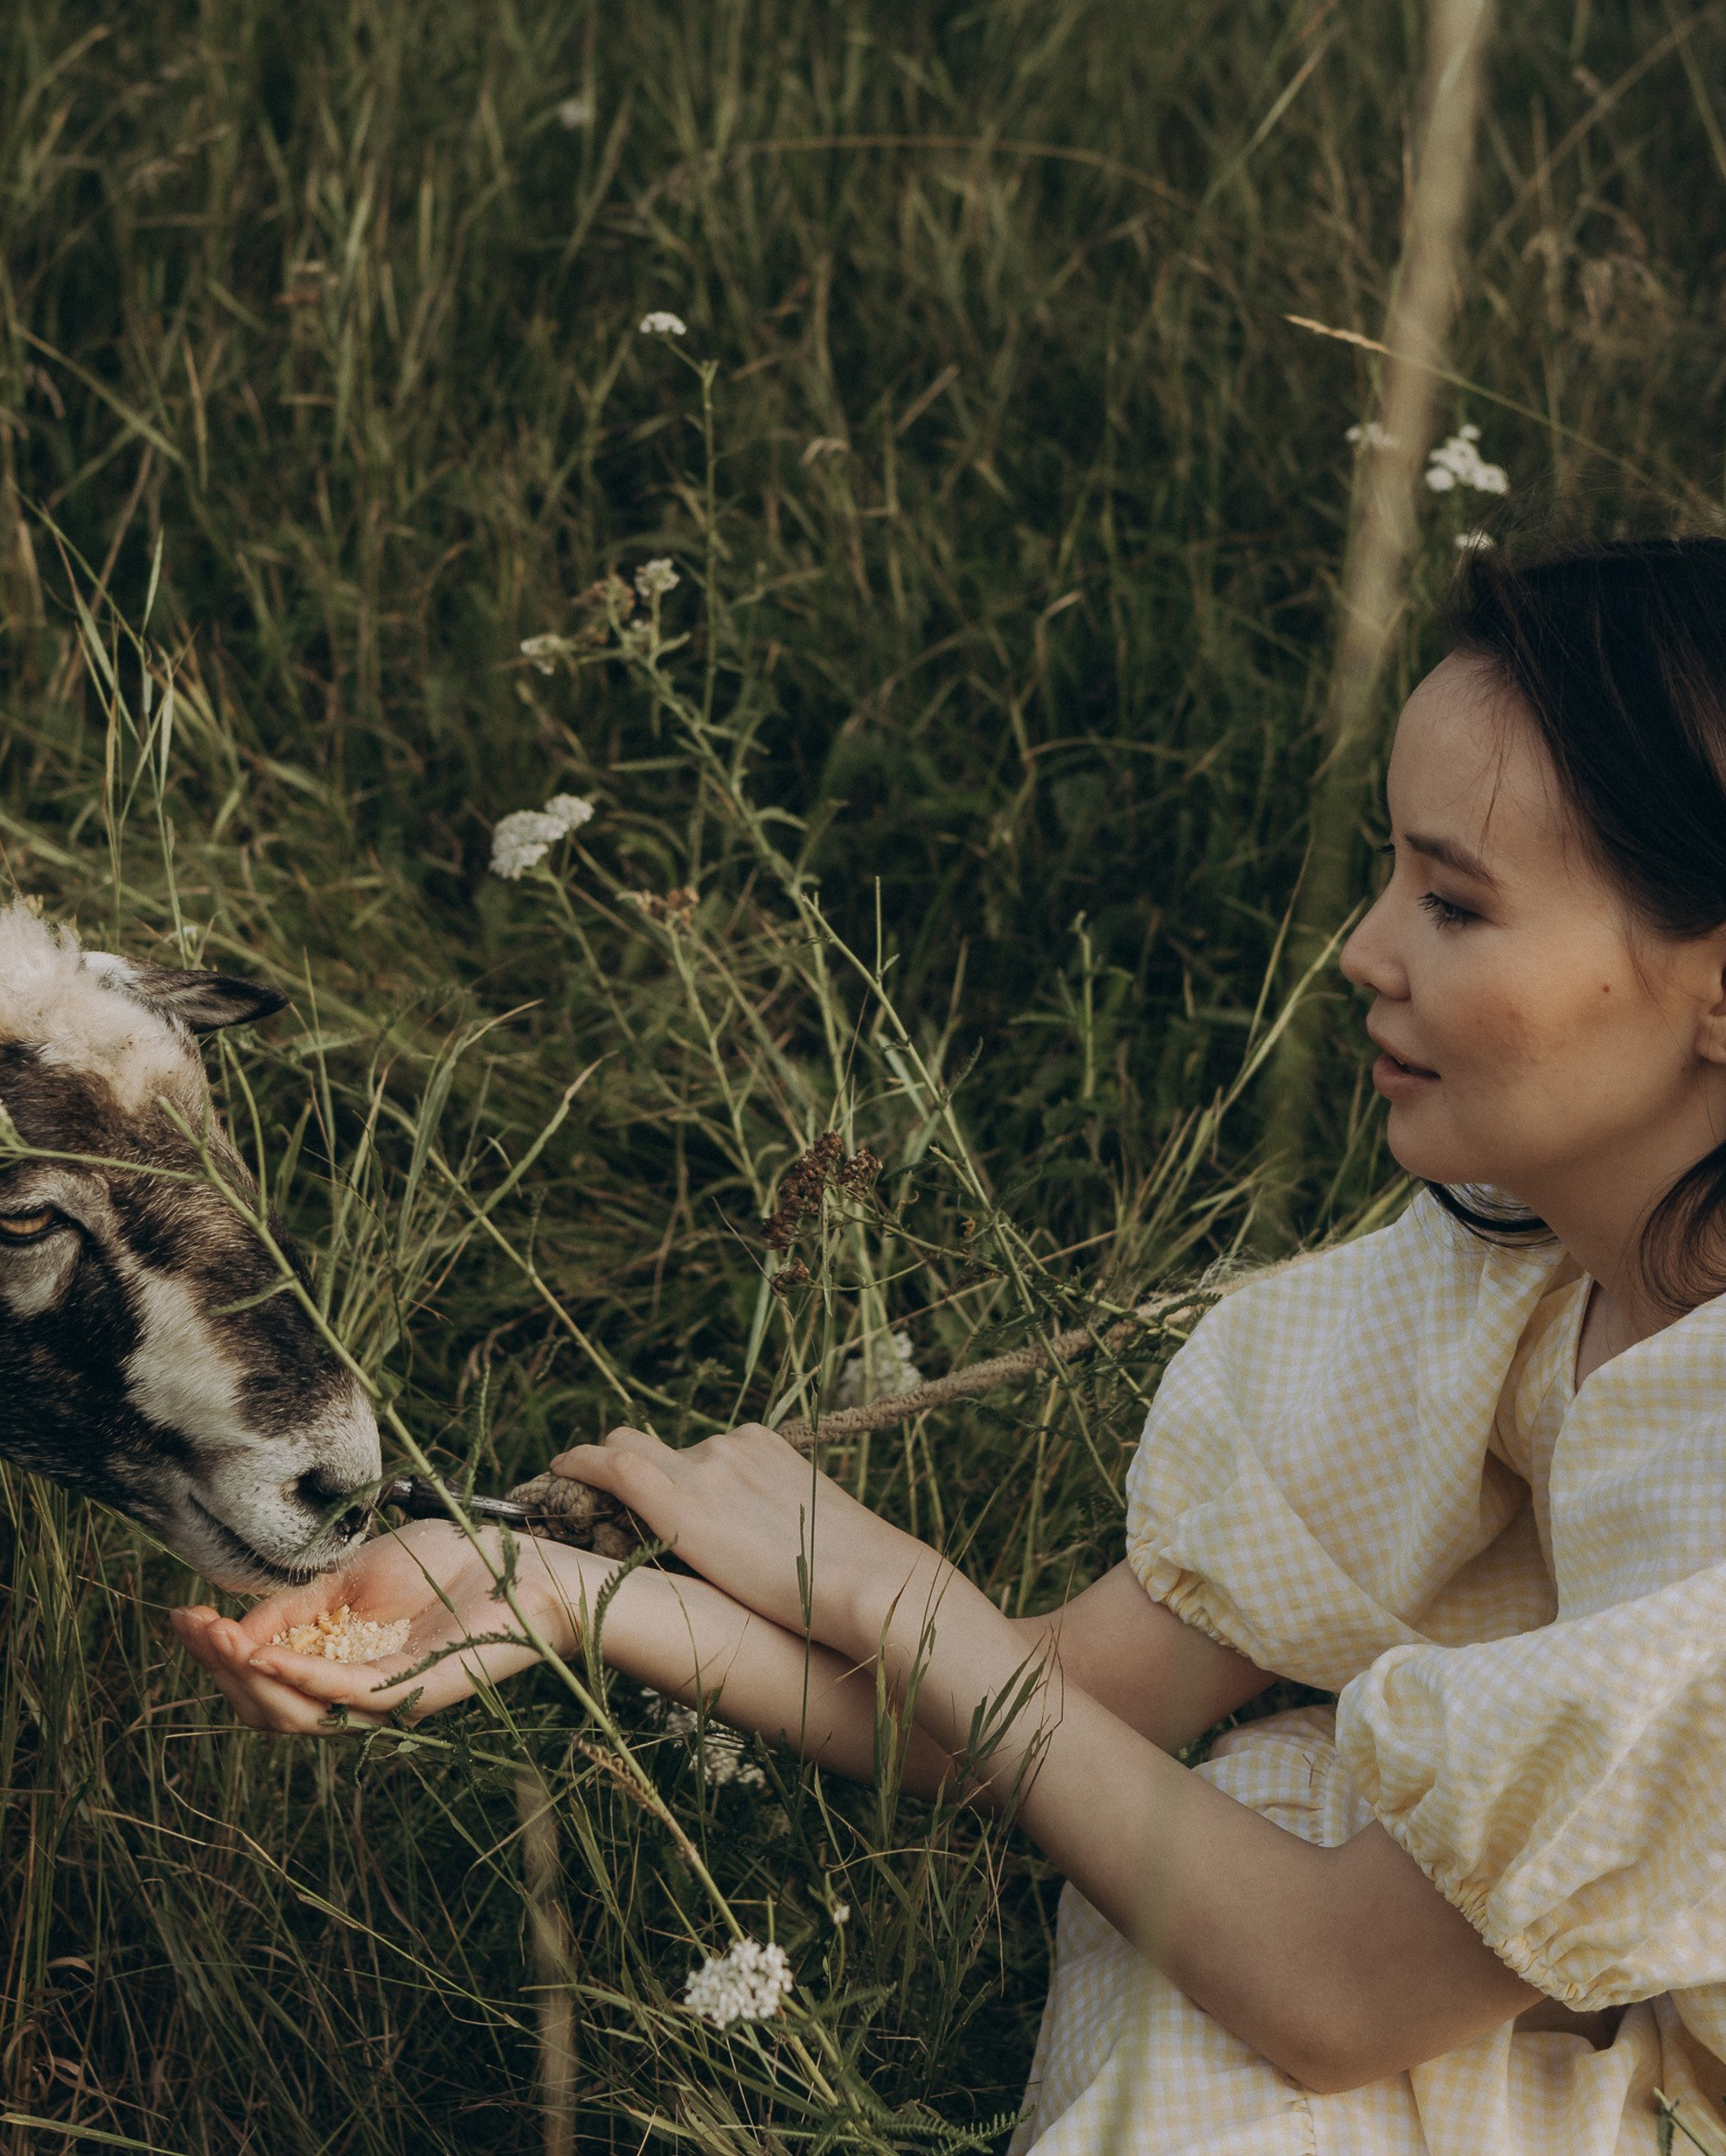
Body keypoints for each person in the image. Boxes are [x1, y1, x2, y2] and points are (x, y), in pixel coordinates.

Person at [174, 538, 1726, 2152]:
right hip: (1506, 1985)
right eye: (1392, 874)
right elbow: (1061, 1706)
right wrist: (562, 1596)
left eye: (1456, 902)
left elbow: (1333, 1987)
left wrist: (877, 1583)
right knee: (1247, 1815)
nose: (1364, 950)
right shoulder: (1520, 1265)